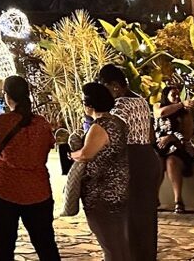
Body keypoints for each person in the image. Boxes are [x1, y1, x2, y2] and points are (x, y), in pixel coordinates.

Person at [0, 75, 61, 261]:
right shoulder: (41, 123)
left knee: (2, 248)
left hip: (4, 190)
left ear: (7, 97)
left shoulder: (0, 121)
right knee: (46, 246)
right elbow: (49, 145)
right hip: (38, 192)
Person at [97, 64, 161, 261]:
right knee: (147, 216)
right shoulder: (141, 101)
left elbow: (112, 135)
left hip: (131, 160)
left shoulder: (120, 106)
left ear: (115, 86)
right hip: (148, 157)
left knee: (130, 217)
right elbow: (150, 133)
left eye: (104, 87)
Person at [73, 82, 130, 261]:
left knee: (110, 246)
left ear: (90, 104)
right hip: (118, 190)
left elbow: (86, 155)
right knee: (118, 243)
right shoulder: (118, 122)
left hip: (101, 194)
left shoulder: (99, 127)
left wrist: (71, 154)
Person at [156, 84, 194, 213]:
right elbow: (161, 113)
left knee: (171, 162)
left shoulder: (185, 113)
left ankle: (178, 200)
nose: (177, 97)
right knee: (157, 162)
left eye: (178, 95)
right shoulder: (157, 106)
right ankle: (154, 199)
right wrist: (181, 104)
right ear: (166, 96)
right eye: (173, 95)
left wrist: (171, 137)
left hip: (179, 146)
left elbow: (187, 135)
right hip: (159, 146)